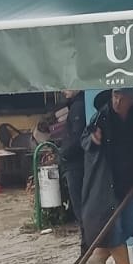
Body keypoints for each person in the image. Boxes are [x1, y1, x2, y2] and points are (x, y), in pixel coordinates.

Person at [80, 88, 133, 264]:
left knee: (131, 222)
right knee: (114, 228)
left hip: (128, 180)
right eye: (116, 97)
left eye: (124, 98)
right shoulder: (101, 118)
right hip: (106, 183)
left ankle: (99, 257)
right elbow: (85, 139)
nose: (118, 102)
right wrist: (93, 139)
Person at [57, 89, 86, 241]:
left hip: (75, 165)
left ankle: (88, 247)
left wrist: (63, 155)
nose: (63, 90)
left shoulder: (78, 106)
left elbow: (77, 138)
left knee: (81, 210)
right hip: (75, 164)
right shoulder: (76, 105)